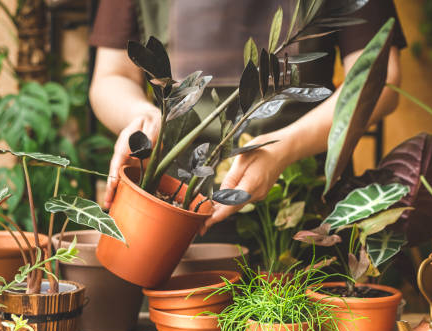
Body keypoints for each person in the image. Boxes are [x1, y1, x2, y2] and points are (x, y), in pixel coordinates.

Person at [88, 0, 406, 233]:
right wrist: (141, 114)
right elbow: (111, 77)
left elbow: (380, 78)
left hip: (302, 205)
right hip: (173, 205)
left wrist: (286, 148)